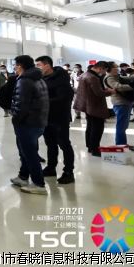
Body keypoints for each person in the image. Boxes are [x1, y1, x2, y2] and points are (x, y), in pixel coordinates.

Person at [10, 55, 49, 195]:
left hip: (27, 123)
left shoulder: (24, 80)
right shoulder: (38, 78)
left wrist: (15, 119)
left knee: (30, 154)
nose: (14, 68)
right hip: (38, 121)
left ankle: (39, 184)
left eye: (15, 65)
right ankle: (23, 177)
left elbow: (21, 105)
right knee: (26, 151)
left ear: (20, 66)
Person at [35, 56, 75, 185]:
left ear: (47, 65)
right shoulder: (42, 79)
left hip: (60, 118)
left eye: (39, 65)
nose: (37, 68)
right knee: (50, 143)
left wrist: (41, 102)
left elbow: (64, 98)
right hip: (46, 117)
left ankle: (68, 172)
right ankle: (51, 167)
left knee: (64, 144)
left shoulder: (61, 79)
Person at [73, 61, 115, 157]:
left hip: (88, 105)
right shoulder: (93, 77)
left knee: (90, 127)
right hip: (95, 106)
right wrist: (111, 92)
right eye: (104, 70)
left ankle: (90, 147)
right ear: (100, 68)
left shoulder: (85, 74)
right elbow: (99, 93)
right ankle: (95, 149)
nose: (104, 73)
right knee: (97, 128)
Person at [104, 63, 134, 150]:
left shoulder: (117, 76)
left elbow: (130, 78)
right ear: (110, 69)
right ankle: (120, 145)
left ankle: (122, 144)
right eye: (115, 67)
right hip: (120, 103)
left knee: (124, 126)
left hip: (125, 103)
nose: (117, 68)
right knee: (121, 126)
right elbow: (120, 87)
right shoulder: (109, 78)